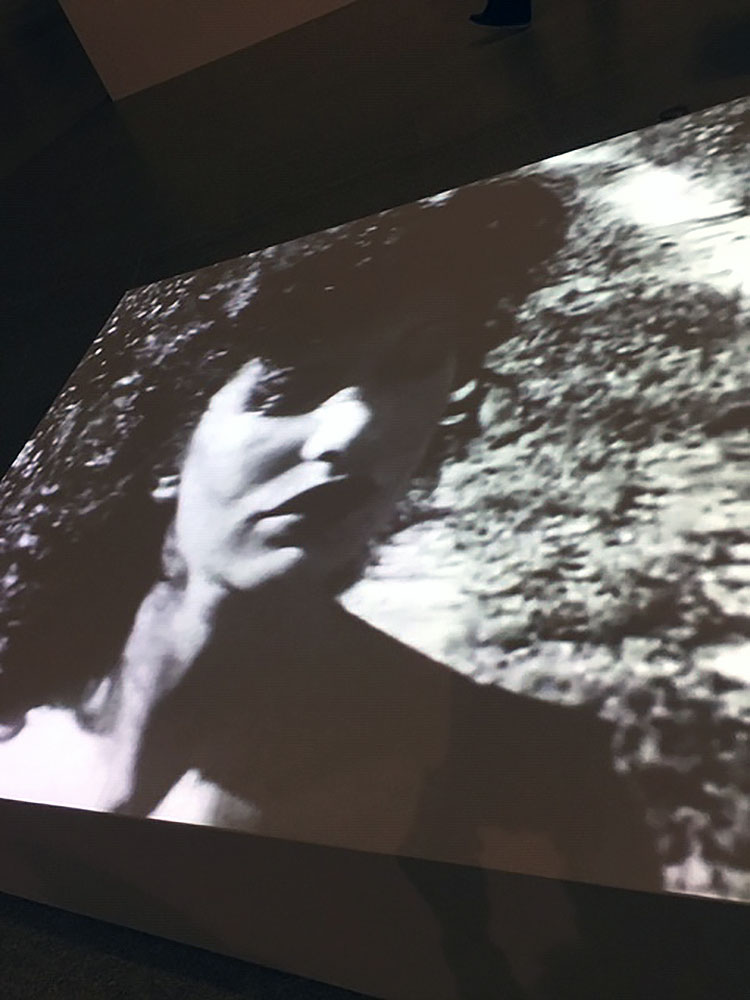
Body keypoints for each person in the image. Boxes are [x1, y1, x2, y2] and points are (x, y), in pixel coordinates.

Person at [0, 175, 659, 894]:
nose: (358, 430)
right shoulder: (21, 669)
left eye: (414, 363)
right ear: (163, 440)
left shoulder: (534, 786)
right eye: (287, 384)